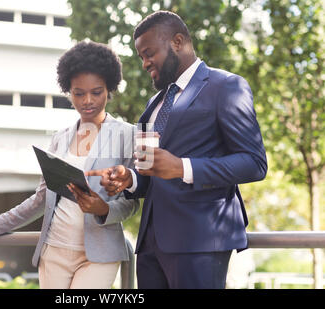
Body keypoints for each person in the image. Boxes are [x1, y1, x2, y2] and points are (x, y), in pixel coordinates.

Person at [86, 11, 267, 289]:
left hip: (200, 241)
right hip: (150, 245)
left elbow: (254, 163)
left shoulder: (227, 87)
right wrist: (130, 178)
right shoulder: (154, 102)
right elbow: (151, 171)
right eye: (141, 57)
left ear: (177, 42)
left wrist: (183, 167)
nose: (145, 63)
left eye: (149, 53)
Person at [0, 41, 139, 289]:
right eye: (78, 93)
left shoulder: (128, 135)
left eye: (97, 92)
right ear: (68, 91)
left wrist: (104, 209)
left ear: (109, 89)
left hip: (100, 255)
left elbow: (133, 203)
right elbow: (40, 200)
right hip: (55, 250)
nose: (87, 101)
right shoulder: (60, 138)